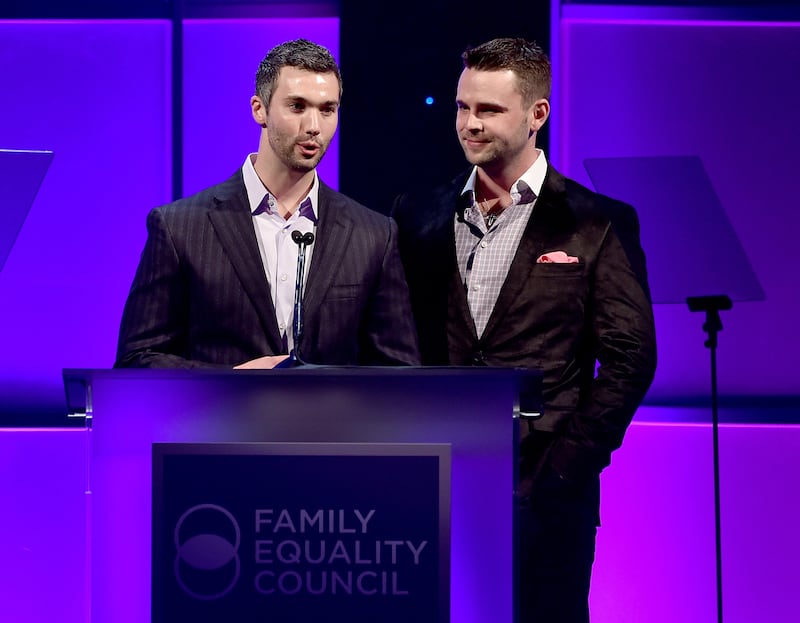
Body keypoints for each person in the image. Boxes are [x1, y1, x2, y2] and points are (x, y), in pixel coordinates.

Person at [392, 38, 657, 622]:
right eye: (463, 108)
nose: (469, 124)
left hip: (546, 492)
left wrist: (567, 467)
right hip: (438, 486)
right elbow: (395, 340)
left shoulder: (596, 222)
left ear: (537, 114)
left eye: (488, 111)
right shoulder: (417, 213)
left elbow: (630, 359)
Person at [116, 39, 419, 369]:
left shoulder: (374, 234)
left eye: (327, 109)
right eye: (297, 106)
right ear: (259, 109)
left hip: (331, 421)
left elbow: (398, 373)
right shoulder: (179, 227)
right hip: (221, 419)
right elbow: (137, 361)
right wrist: (230, 382)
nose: (314, 127)